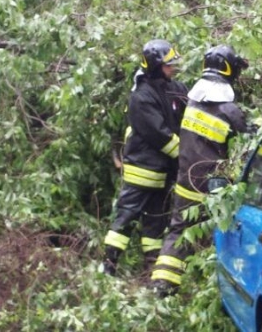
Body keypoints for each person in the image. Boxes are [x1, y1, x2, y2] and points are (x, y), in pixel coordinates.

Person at [149, 44, 252, 296]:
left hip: (185, 179)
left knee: (178, 231)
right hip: (212, 187)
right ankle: (209, 285)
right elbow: (247, 141)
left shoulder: (193, 102)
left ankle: (161, 284)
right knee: (219, 234)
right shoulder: (230, 110)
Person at [103, 39, 188, 276]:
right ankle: (108, 268)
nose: (173, 68)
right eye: (168, 65)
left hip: (163, 176)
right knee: (125, 219)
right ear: (155, 66)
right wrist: (186, 156)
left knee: (155, 225)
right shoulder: (140, 97)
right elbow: (159, 134)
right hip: (142, 171)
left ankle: (149, 268)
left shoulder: (174, 88)